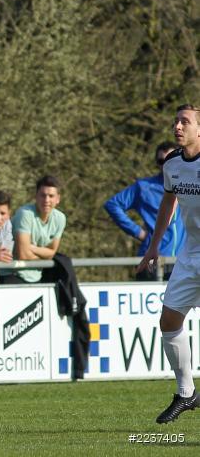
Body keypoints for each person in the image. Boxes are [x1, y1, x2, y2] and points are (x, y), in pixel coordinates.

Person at [139, 104, 200, 424]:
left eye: (185, 122)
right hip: (190, 255)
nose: (178, 126)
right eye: (176, 121)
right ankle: (186, 392)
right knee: (169, 321)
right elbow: (169, 199)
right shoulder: (173, 162)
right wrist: (153, 245)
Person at [105, 141, 183, 280]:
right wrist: (138, 232)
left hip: (183, 261)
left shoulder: (191, 184)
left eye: (170, 159)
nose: (165, 164)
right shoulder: (144, 187)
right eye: (160, 161)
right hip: (153, 262)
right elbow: (113, 205)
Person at [0, 175, 66, 284]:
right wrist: (44, 259)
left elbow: (52, 253)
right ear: (36, 196)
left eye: (51, 196)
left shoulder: (60, 218)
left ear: (58, 199)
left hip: (37, 276)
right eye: (43, 195)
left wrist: (30, 247)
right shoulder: (25, 214)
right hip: (12, 274)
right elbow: (23, 255)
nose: (46, 200)